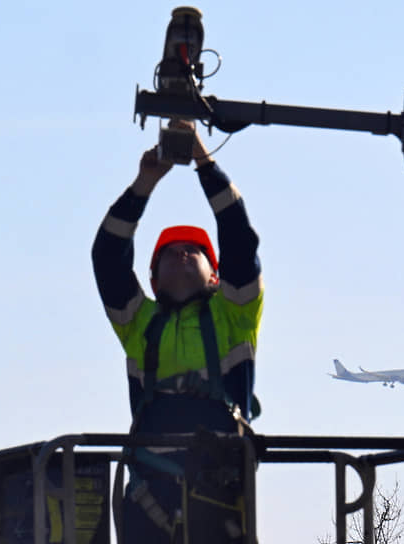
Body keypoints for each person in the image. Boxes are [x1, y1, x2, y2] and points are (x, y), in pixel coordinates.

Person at [91, 120, 262, 543]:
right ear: (152, 281)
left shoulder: (235, 313)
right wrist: (144, 184)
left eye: (193, 251)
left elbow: (239, 238)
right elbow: (108, 256)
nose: (180, 254)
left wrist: (204, 160)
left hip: (219, 495)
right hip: (148, 498)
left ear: (214, 276)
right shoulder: (139, 322)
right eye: (168, 253)